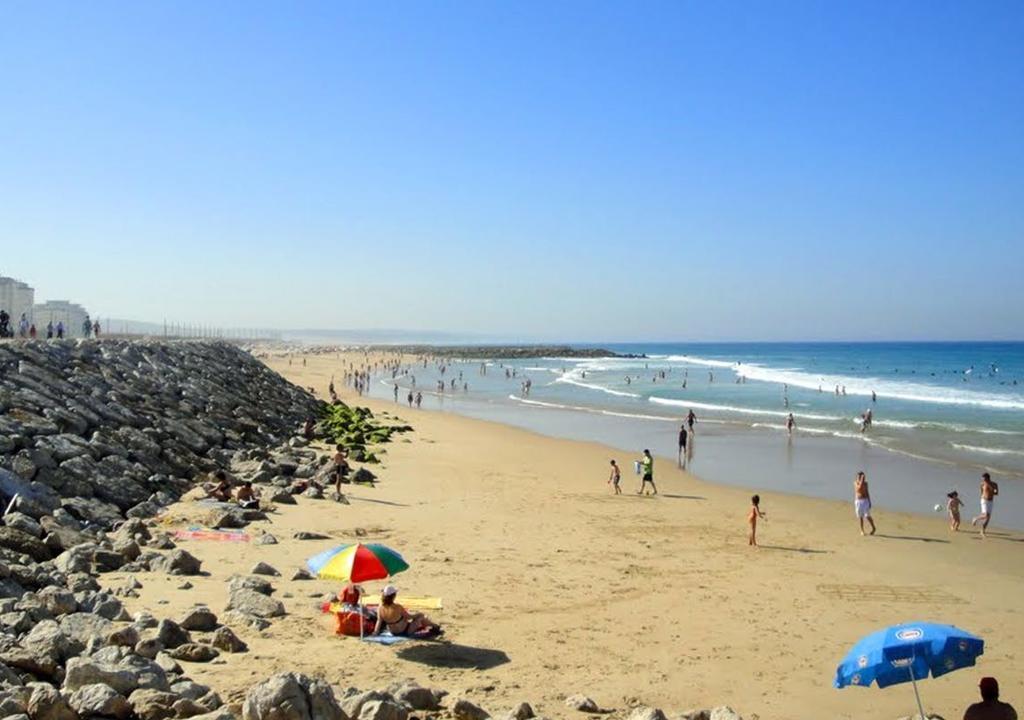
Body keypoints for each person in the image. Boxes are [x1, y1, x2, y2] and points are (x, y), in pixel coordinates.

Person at [372, 585, 441, 637]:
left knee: (419, 617)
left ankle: (433, 626)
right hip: (405, 631)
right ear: (394, 596)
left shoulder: (380, 608)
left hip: (393, 632)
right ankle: (435, 626)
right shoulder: (397, 607)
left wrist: (375, 632)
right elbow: (409, 617)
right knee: (421, 617)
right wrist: (418, 614)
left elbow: (379, 621)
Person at [971, 473, 999, 538]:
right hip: (984, 500)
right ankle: (975, 518)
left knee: (988, 518)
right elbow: (981, 492)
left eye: (984, 479)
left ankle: (982, 531)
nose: (983, 480)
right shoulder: (982, 484)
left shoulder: (994, 484)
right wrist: (983, 497)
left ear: (988, 478)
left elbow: (996, 493)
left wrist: (993, 491)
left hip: (991, 501)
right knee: (985, 515)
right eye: (983, 479)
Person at [854, 471, 876, 536]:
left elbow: (867, 492)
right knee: (860, 517)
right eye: (858, 477)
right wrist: (861, 481)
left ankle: (873, 527)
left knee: (867, 516)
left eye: (861, 477)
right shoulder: (855, 483)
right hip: (858, 501)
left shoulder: (866, 484)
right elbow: (859, 489)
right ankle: (862, 530)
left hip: (865, 500)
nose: (859, 478)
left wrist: (869, 501)